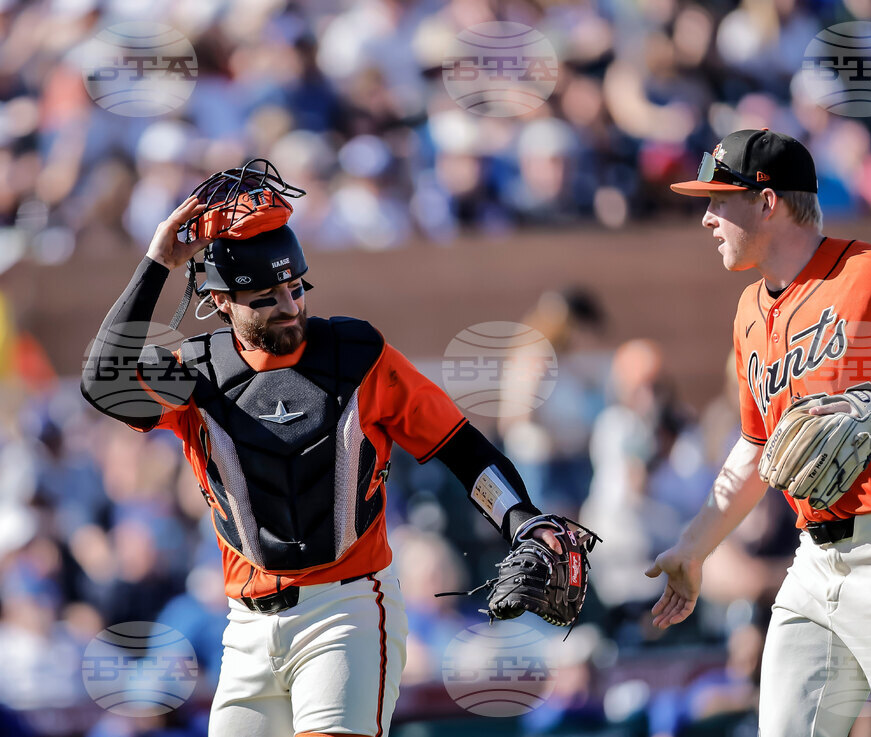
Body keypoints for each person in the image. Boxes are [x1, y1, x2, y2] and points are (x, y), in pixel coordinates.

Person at [80, 162, 562, 737]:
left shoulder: (357, 354)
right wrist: (160, 261)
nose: (289, 305)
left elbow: (458, 445)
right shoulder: (195, 371)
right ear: (220, 301)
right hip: (245, 627)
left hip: (347, 611)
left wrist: (521, 518)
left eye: (296, 287)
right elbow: (102, 384)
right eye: (266, 296)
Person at [645, 129, 871, 736]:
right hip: (814, 561)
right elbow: (760, 446)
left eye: (717, 200)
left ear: (767, 202)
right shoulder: (750, 309)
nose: (706, 218)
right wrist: (695, 545)